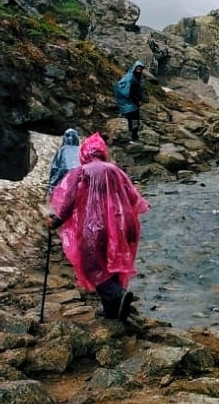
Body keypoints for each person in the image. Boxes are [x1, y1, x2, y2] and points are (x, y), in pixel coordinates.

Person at [47, 132, 150, 320]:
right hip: (125, 223)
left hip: (96, 226)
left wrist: (56, 221)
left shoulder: (82, 172)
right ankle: (113, 310)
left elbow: (69, 202)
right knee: (113, 263)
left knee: (92, 265)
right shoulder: (115, 170)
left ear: (84, 154)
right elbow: (136, 199)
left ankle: (116, 295)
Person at [114, 60, 146, 142]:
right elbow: (130, 93)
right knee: (135, 120)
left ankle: (131, 135)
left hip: (130, 103)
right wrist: (137, 101)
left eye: (140, 69)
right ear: (134, 68)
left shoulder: (135, 76)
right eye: (138, 69)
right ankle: (134, 137)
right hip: (130, 103)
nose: (139, 70)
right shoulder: (131, 79)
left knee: (131, 119)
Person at [46, 128, 81, 198]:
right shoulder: (80, 151)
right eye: (68, 136)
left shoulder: (62, 151)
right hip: (76, 183)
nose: (69, 138)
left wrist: (51, 186)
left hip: (63, 182)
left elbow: (55, 169)